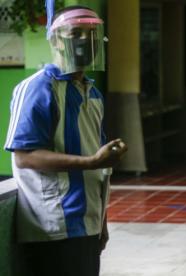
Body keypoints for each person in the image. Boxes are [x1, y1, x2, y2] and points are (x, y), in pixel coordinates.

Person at [3, 5, 127, 276]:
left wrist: (101, 222)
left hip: (88, 224)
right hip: (53, 227)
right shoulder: (38, 88)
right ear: (57, 39)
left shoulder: (92, 92)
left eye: (93, 34)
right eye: (76, 33)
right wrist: (92, 161)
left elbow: (100, 168)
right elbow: (25, 156)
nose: (86, 40)